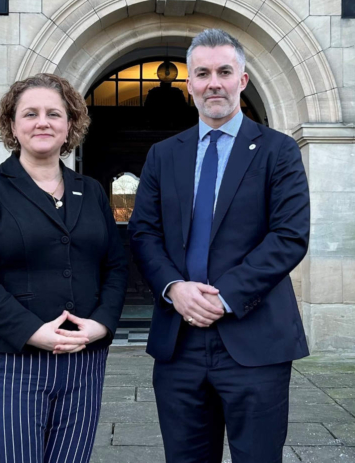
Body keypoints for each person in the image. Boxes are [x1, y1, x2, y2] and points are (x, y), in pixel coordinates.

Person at [128, 29, 310, 463]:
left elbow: (289, 236)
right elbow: (144, 233)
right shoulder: (162, 155)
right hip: (179, 344)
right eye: (203, 73)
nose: (214, 83)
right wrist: (175, 288)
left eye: (224, 72)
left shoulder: (278, 152)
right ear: (189, 83)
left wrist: (224, 297)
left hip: (255, 339)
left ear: (242, 80)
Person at [0, 73, 128, 463]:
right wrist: (33, 332)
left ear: (70, 125)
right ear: (12, 125)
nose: (42, 122)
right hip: (11, 362)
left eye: (54, 113)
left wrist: (101, 325)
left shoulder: (92, 190)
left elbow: (116, 266)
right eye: (30, 113)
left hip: (83, 360)